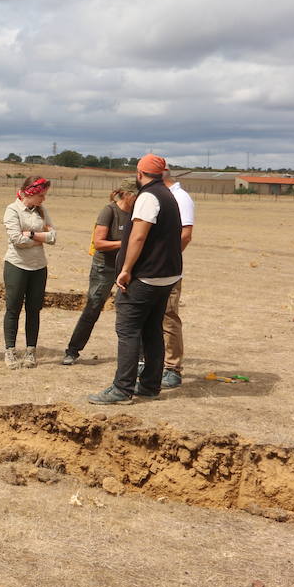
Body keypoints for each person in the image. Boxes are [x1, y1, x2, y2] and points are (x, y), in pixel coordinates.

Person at [88, 154, 182, 405]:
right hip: (167, 275)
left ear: (139, 174)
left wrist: (126, 269)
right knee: (151, 329)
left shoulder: (148, 197)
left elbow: (138, 237)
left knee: (128, 329)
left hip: (147, 275)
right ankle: (150, 385)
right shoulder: (168, 194)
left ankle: (122, 388)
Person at [61, 179, 136, 365]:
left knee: (131, 311)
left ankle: (138, 356)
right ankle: (72, 351)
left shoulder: (137, 214)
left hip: (127, 268)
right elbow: (99, 242)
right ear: (127, 195)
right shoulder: (109, 211)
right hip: (104, 268)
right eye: (136, 196)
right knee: (93, 308)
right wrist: (126, 243)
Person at [1, 176, 55, 368]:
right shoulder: (12, 210)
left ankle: (31, 351)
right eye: (41, 195)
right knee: (13, 308)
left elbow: (53, 236)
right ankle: (10, 351)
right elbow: (17, 240)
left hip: (39, 267)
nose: (43, 199)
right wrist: (41, 238)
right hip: (16, 265)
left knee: (34, 310)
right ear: (29, 193)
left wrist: (31, 234)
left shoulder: (42, 211)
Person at [160, 171, 196, 388]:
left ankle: (173, 368)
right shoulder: (159, 195)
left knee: (168, 317)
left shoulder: (180, 197)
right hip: (152, 271)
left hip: (167, 270)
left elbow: (186, 234)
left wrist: (168, 260)